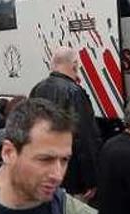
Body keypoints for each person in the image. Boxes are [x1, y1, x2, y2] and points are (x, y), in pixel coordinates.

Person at [29, 46, 102, 198]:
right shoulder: (74, 92)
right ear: (74, 64)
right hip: (71, 177)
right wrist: (91, 179)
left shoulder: (37, 89)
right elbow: (84, 137)